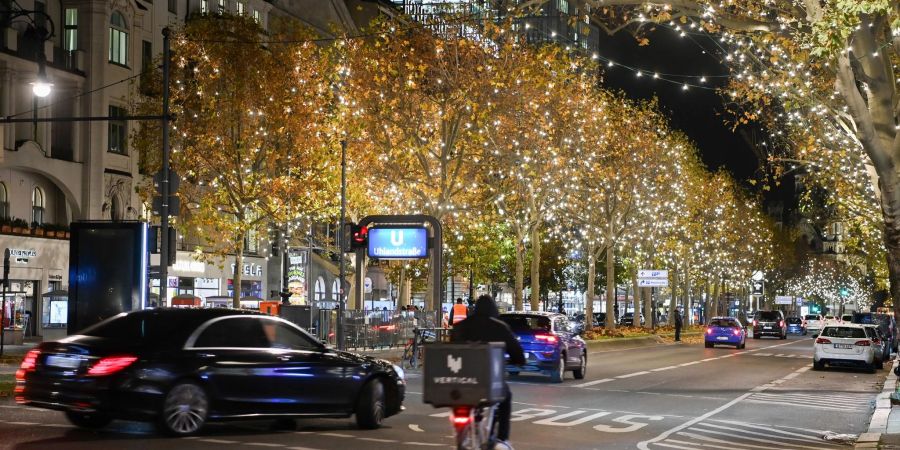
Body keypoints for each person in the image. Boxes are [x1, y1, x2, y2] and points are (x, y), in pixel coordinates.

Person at [451, 295, 526, 446]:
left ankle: (462, 436)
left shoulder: (460, 327)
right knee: (506, 397)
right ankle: (502, 439)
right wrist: (518, 361)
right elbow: (517, 354)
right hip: (489, 382)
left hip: (462, 380)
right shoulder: (499, 327)